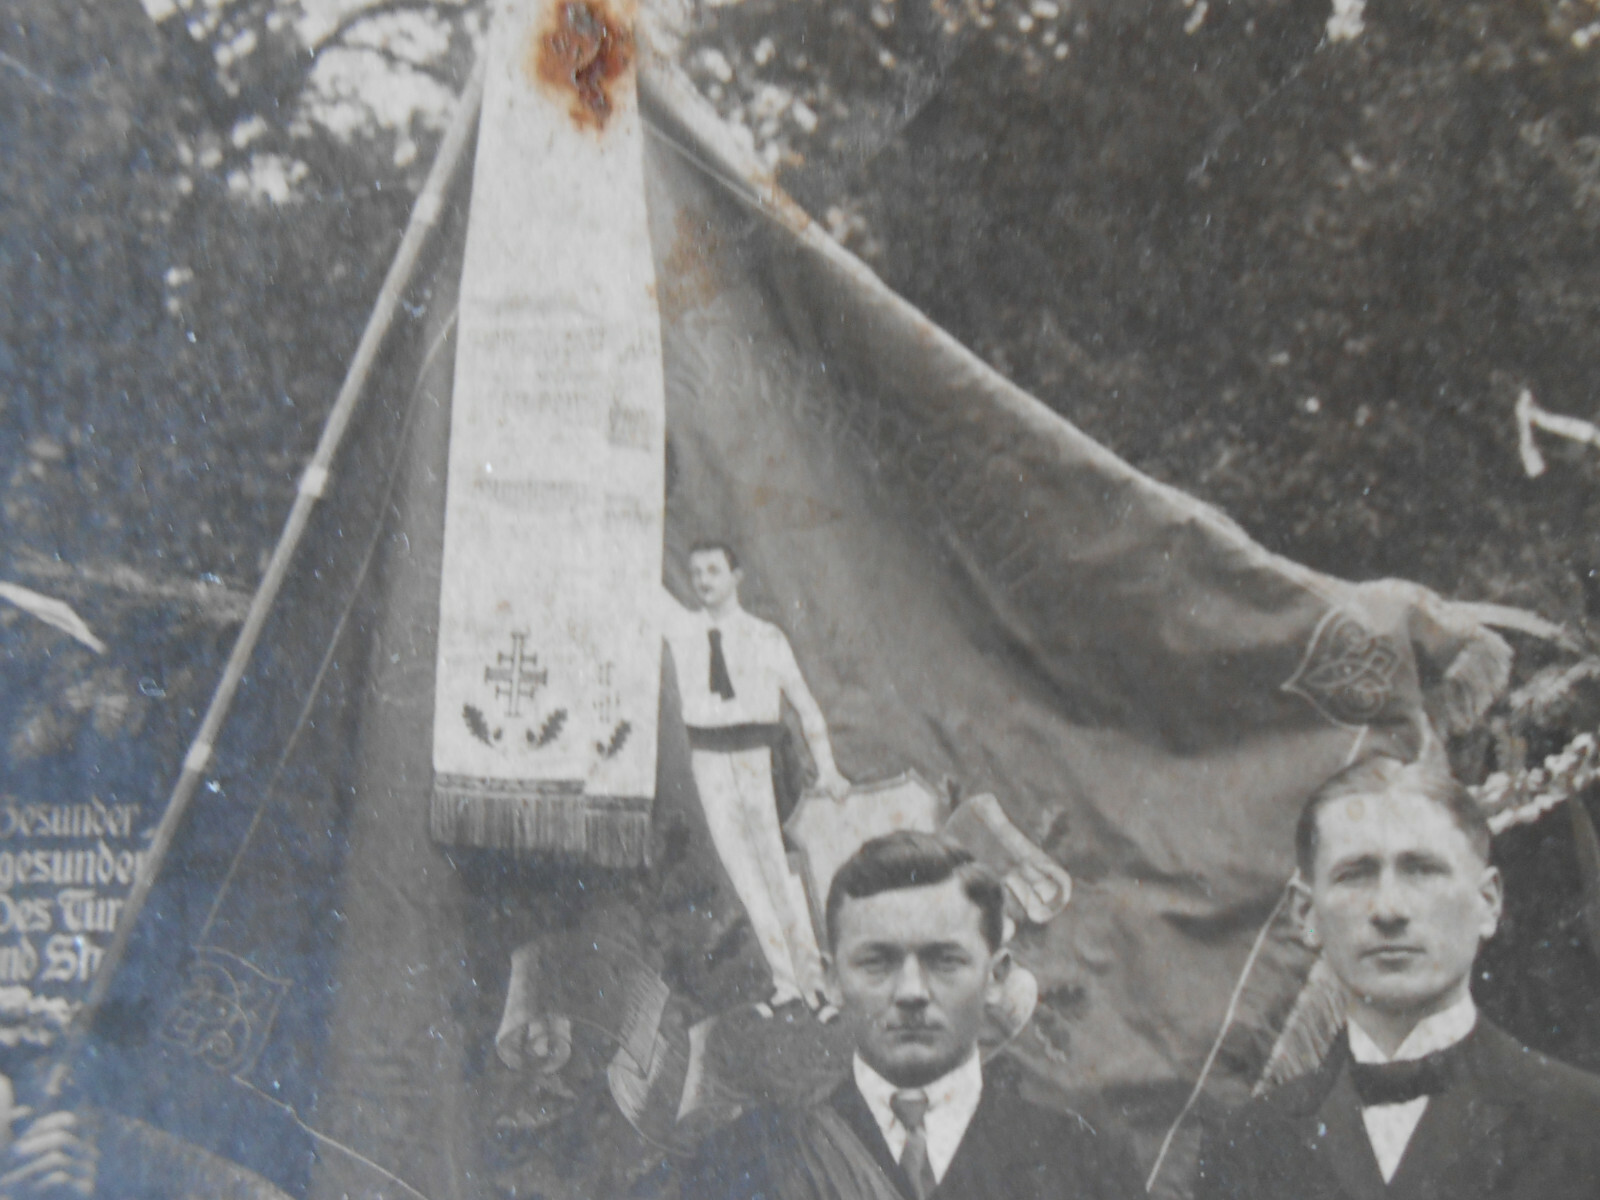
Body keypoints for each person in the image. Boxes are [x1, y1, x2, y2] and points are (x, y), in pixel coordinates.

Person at [1196, 754, 1600, 1200]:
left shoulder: (1584, 1123)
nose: (1389, 909)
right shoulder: (1246, 1146)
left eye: (1422, 870)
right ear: (1307, 915)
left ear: (1487, 903)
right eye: (1355, 875)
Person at [681, 832, 1136, 1200]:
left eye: (945, 961)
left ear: (996, 977)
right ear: (832, 980)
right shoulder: (744, 1162)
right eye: (877, 962)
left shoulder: (1084, 1164)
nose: (912, 992)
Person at [663, 541, 850, 1014]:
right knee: (744, 875)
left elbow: (805, 705)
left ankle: (818, 985)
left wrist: (827, 767)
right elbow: (639, 583)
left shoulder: (766, 637)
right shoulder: (682, 629)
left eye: (714, 570)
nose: (703, 581)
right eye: (696, 572)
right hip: (709, 762)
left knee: (777, 871)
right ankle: (786, 982)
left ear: (736, 576)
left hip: (758, 761)